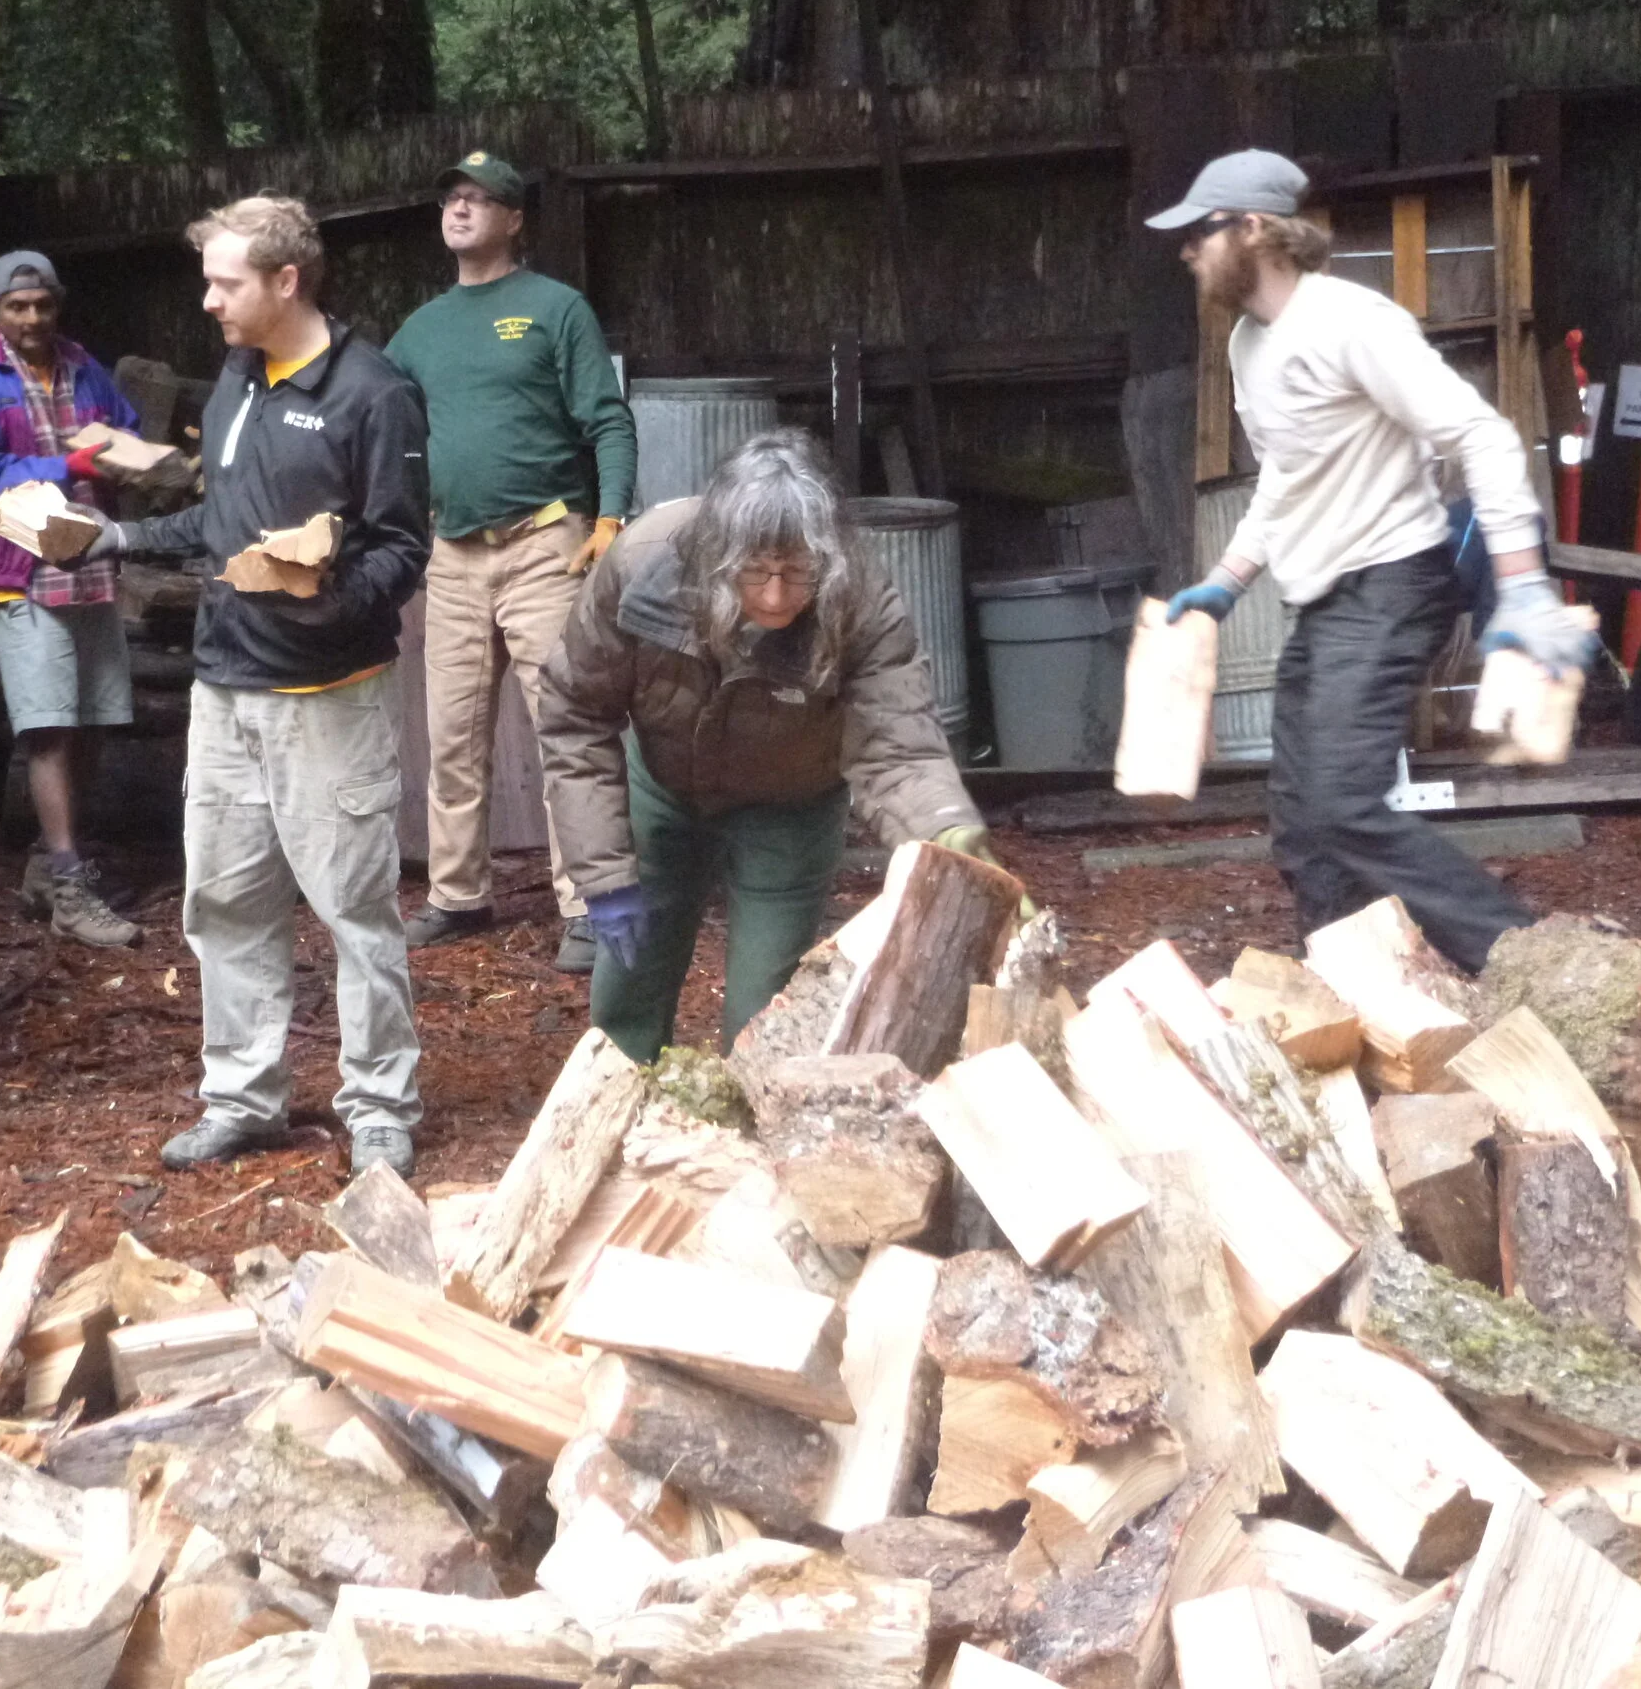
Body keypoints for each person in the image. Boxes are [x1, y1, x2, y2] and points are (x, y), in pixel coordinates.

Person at [1150, 150, 1596, 972]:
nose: (1185, 250)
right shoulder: (1251, 342)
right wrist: (1229, 578)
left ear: (1254, 229)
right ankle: (1347, 982)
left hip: (1394, 580)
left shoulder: (1352, 322)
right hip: (1323, 599)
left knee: (1345, 804)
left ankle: (1530, 958)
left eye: (1200, 231)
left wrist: (1526, 582)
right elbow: (1287, 469)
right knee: (1300, 819)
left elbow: (1482, 434)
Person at [83, 195, 432, 1178]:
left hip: (329, 694)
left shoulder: (373, 392)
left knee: (355, 907)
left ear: (286, 281)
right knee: (226, 902)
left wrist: (330, 602)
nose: (208, 301)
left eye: (225, 282)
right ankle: (243, 1096)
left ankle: (379, 1108)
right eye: (208, 280)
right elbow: (218, 517)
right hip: (224, 688)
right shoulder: (238, 377)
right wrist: (116, 536)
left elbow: (404, 547)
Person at [533, 433, 990, 1065]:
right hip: (666, 787)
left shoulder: (860, 601)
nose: (776, 596)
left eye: (798, 571)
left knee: (766, 1012)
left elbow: (899, 749)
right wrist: (605, 875)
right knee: (628, 985)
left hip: (793, 802)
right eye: (755, 571)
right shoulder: (644, 563)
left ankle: (755, 1138)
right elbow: (575, 713)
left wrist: (946, 830)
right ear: (718, 557)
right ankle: (616, 1121)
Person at [383, 152, 638, 974]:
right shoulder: (420, 329)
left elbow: (608, 419)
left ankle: (594, 904)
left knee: (567, 723)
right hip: (452, 553)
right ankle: (458, 895)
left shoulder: (554, 308)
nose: (459, 209)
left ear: (514, 218)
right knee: (450, 735)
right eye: (451, 197)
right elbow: (375, 421)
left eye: (479, 199)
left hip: (544, 545)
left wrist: (611, 517)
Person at [0, 249, 144, 948]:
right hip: (18, 569)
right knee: (49, 724)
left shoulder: (86, 368)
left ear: (57, 305)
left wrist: (139, 456)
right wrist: (70, 465)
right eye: (16, 307)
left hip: (87, 562)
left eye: (42, 304)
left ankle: (51, 864)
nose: (31, 317)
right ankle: (67, 882)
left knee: (90, 717)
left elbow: (125, 426)